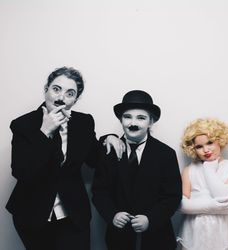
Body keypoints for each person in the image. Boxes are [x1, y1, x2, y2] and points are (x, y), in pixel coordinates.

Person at [6, 66, 124, 250]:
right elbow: (22, 171)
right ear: (46, 89)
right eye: (56, 89)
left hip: (72, 215)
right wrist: (44, 132)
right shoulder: (23, 124)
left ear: (75, 99)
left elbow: (93, 159)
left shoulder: (83, 122)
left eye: (70, 93)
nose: (61, 98)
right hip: (32, 214)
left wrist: (109, 137)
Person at [92, 90, 182, 250]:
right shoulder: (109, 151)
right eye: (127, 117)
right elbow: (99, 192)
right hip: (119, 239)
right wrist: (112, 214)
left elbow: (173, 196)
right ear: (121, 119)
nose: (133, 123)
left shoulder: (166, 154)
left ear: (151, 122)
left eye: (141, 118)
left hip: (157, 238)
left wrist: (151, 219)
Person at [177, 118, 228, 250]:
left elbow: (226, 197)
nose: (206, 150)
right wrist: (211, 206)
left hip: (224, 230)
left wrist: (209, 170)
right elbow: (181, 205)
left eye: (210, 143)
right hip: (195, 229)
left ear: (220, 141)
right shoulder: (189, 170)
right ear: (193, 148)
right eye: (199, 146)